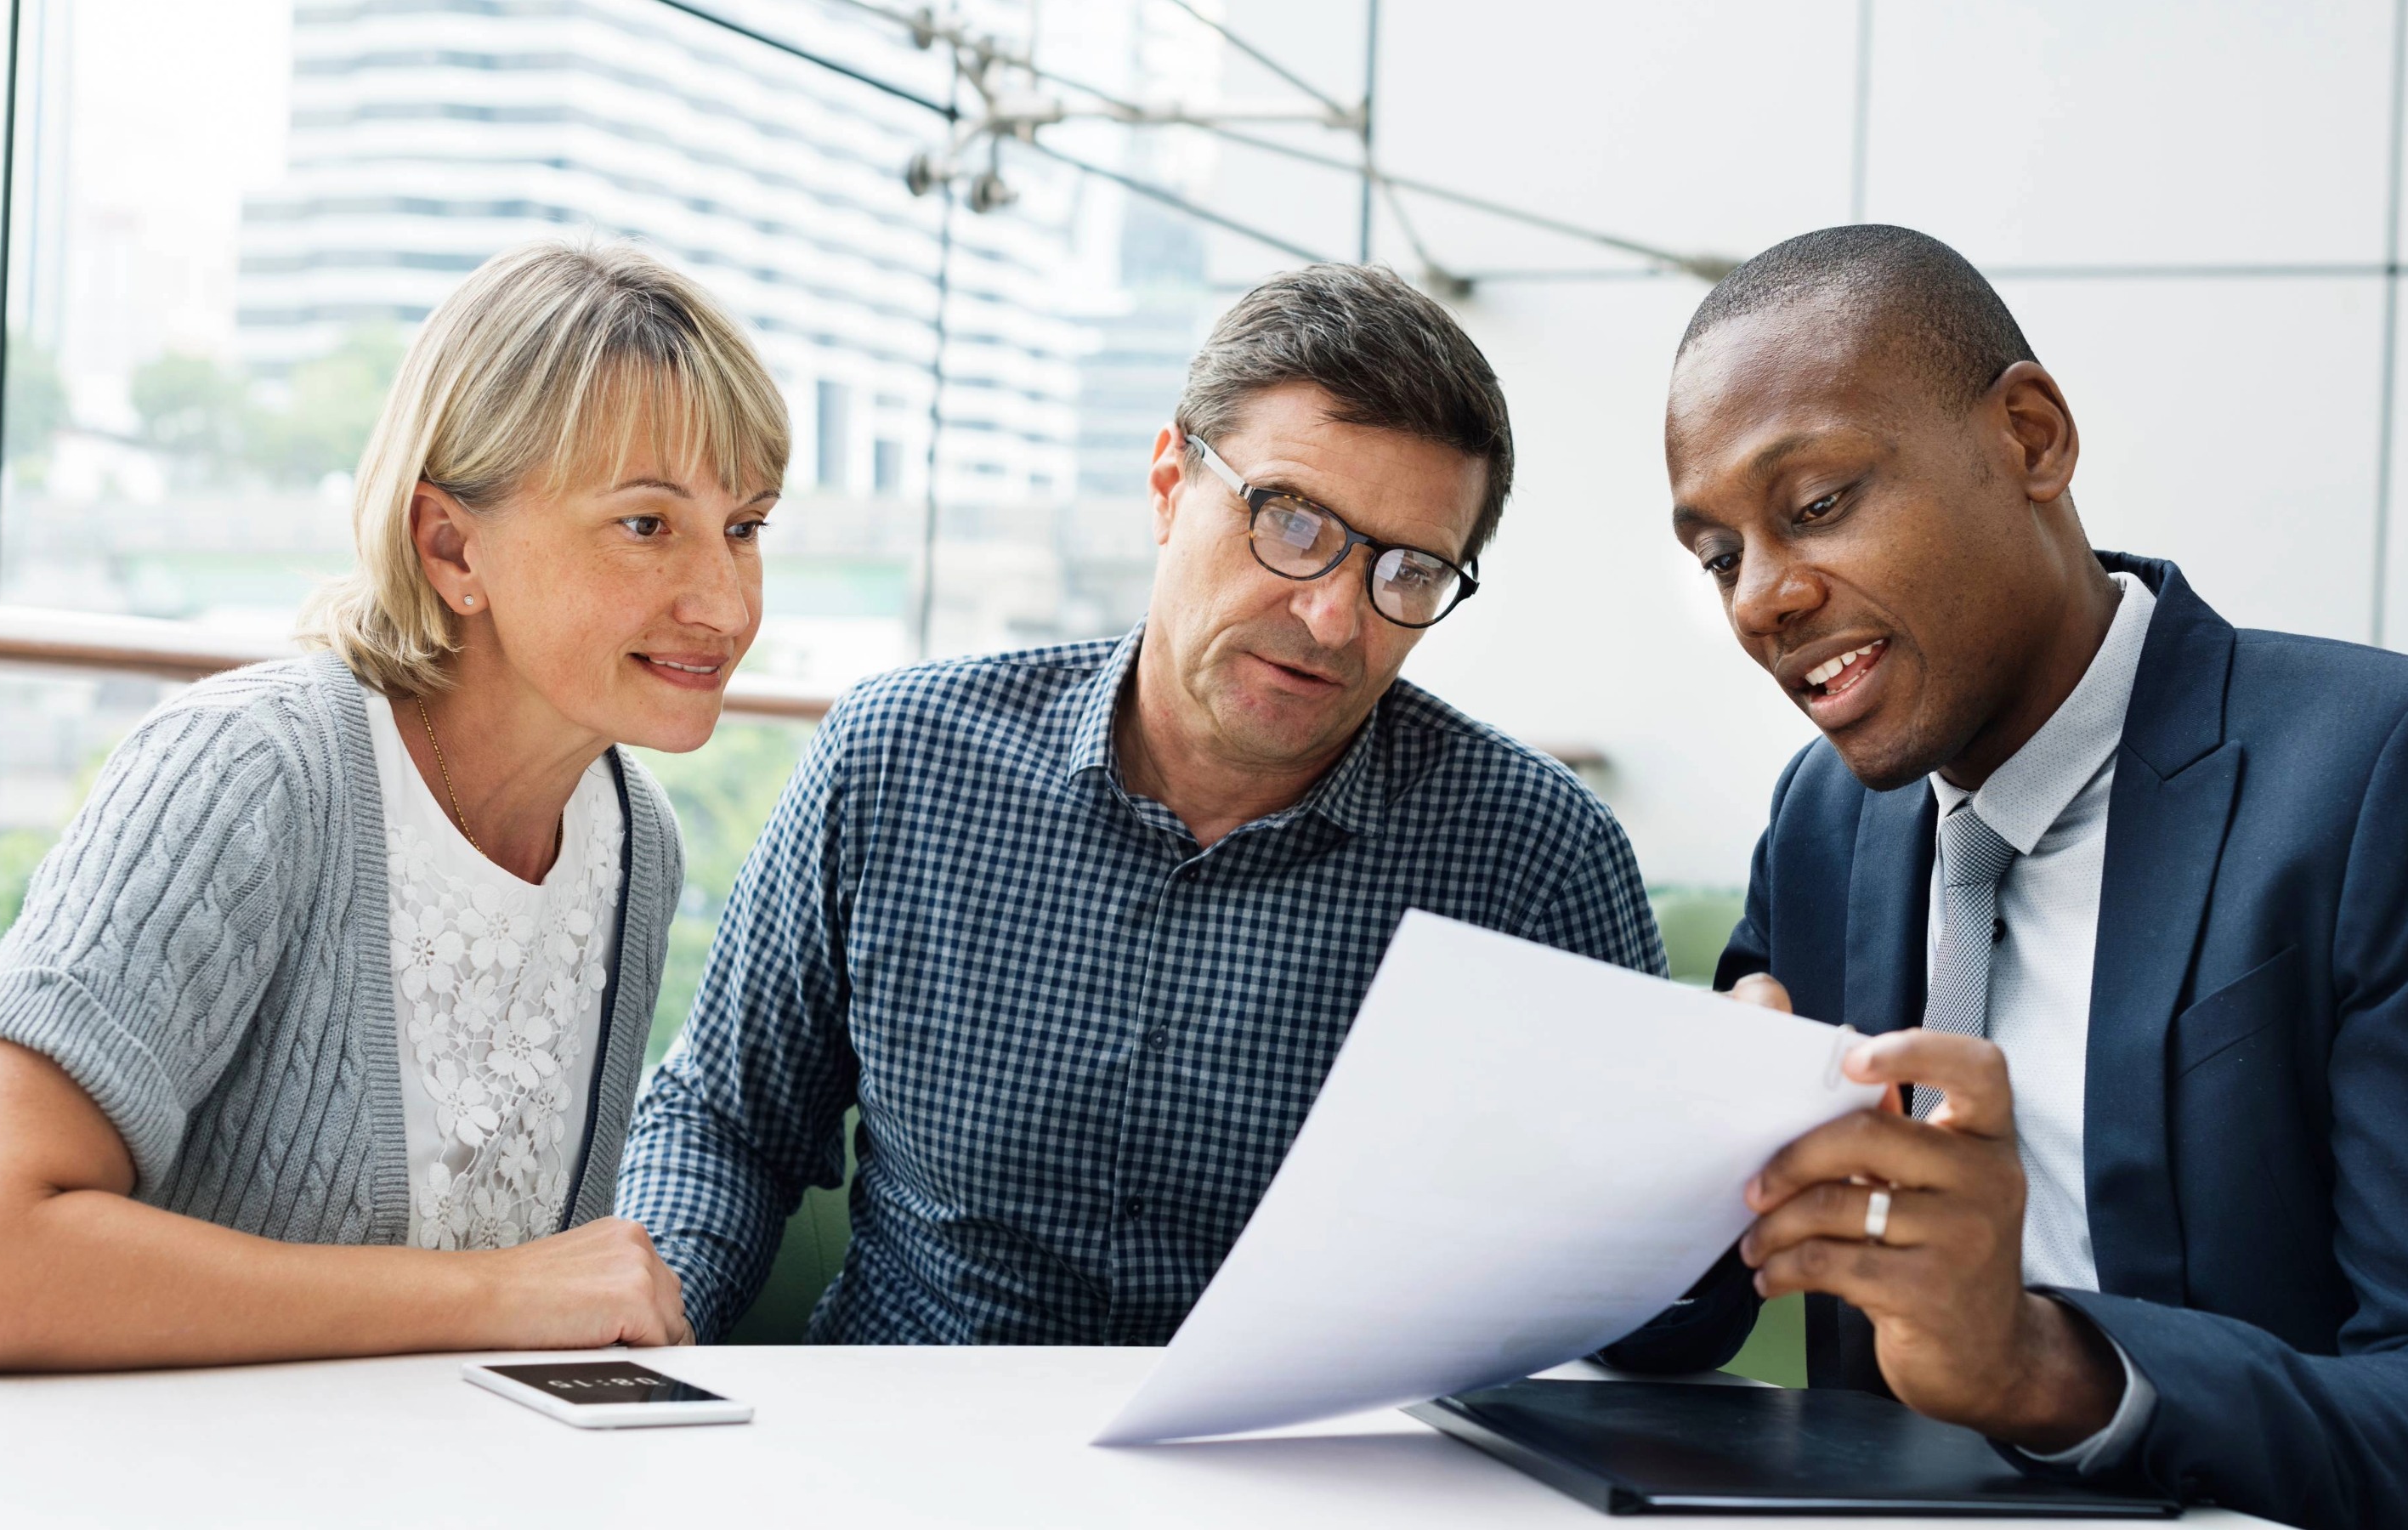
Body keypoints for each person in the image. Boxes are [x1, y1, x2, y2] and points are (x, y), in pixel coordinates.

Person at [1635, 223, 2408, 1527]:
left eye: (1817, 505)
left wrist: (2046, 1367)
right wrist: (1646, 1181)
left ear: (2033, 440)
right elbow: (1692, 1315)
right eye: (1717, 555)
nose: (1758, 601)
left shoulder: (2399, 774)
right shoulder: (1827, 818)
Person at [618, 264, 1669, 1346]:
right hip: (903, 1451)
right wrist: (646, 1325)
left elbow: (1642, 1293)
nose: (1330, 618)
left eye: (1405, 573)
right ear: (1170, 482)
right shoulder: (898, 758)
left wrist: (1709, 1178)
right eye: (1293, 523)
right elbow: (724, 1124)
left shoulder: (1535, 857)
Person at [0, 241, 788, 1374]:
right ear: (449, 546)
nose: (724, 604)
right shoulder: (248, 776)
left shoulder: (634, 845)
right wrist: (490, 1297)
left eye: (745, 528)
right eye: (646, 525)